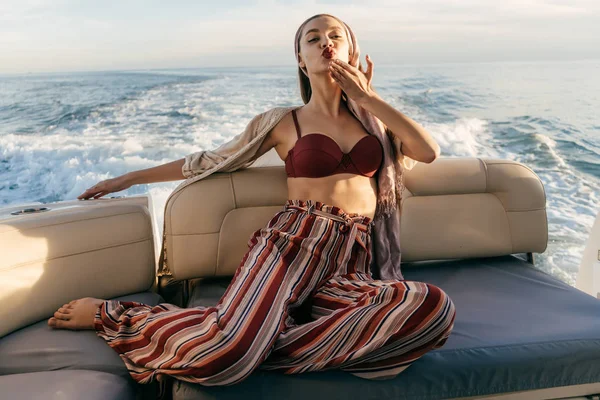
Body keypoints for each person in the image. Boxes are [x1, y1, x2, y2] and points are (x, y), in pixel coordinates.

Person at [48, 13, 456, 386]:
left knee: (431, 308)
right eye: (312, 38)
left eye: (335, 36)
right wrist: (130, 177)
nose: (324, 42)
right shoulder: (283, 121)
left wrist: (368, 98)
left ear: (352, 50)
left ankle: (252, 339)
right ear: (300, 59)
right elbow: (210, 160)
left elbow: (427, 151)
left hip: (352, 262)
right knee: (225, 361)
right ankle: (122, 315)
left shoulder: (377, 120)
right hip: (292, 244)